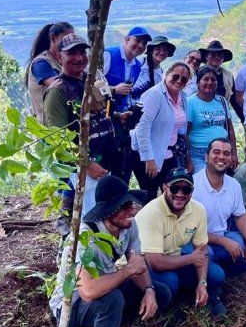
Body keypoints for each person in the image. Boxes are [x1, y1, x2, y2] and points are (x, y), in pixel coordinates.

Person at [49, 176, 170, 327]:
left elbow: (137, 264)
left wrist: (149, 290)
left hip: (103, 289)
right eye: (122, 206)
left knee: (160, 292)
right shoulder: (84, 237)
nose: (131, 211)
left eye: (130, 204)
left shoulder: (128, 227)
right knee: (112, 299)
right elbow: (88, 291)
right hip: (69, 306)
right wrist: (127, 271)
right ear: (106, 210)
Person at [43, 34, 125, 229]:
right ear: (59, 56)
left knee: (106, 218)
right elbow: (58, 139)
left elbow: (95, 118)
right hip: (82, 171)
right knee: (86, 224)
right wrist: (86, 164)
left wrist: (117, 118)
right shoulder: (58, 91)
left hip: (105, 164)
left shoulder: (88, 83)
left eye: (82, 52)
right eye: (72, 53)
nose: (79, 57)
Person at [135, 168, 227, 316]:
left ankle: (197, 293)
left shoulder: (198, 210)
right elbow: (156, 263)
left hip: (176, 258)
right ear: (165, 188)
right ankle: (168, 306)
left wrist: (202, 283)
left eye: (186, 190)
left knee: (216, 275)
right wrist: (191, 258)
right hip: (146, 266)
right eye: (175, 188)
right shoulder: (151, 214)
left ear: (192, 191)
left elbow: (201, 250)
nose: (180, 194)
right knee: (171, 281)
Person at [192, 137, 246, 277]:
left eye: (226, 153)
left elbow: (240, 216)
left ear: (231, 158)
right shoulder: (193, 186)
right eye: (216, 152)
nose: (221, 157)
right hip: (197, 242)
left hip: (222, 234)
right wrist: (224, 242)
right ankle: (213, 279)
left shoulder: (233, 185)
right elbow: (190, 232)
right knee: (209, 258)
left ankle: (220, 270)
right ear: (206, 157)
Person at [130, 61, 191, 204]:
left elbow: (180, 128)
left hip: (169, 154)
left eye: (184, 79)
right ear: (166, 74)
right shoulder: (154, 95)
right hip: (148, 155)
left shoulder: (183, 97)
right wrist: (149, 158)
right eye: (175, 76)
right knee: (150, 197)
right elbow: (142, 127)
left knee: (172, 194)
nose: (179, 81)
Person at [186, 66, 238, 173]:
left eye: (213, 80)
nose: (209, 82)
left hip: (222, 152)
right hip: (199, 153)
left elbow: (230, 129)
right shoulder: (190, 102)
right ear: (198, 82)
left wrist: (233, 154)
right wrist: (188, 161)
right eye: (205, 79)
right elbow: (185, 133)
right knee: (203, 183)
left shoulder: (222, 101)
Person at [25, 21, 74, 122]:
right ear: (53, 38)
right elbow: (61, 87)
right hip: (48, 128)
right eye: (65, 39)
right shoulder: (41, 63)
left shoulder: (61, 61)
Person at [103, 26, 151, 111]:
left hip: (118, 116)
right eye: (137, 40)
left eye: (144, 43)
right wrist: (114, 89)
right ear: (127, 39)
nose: (140, 45)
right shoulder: (109, 55)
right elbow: (91, 85)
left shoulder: (137, 66)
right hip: (100, 112)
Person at [199, 39, 242, 121]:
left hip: (221, 116)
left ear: (223, 58)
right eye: (213, 54)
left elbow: (234, 100)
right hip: (200, 116)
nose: (216, 57)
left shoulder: (228, 76)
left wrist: (244, 119)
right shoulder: (198, 73)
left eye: (220, 55)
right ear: (206, 56)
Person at [131, 36, 175, 100]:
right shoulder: (140, 62)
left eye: (165, 50)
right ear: (151, 51)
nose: (162, 52)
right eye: (158, 49)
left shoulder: (161, 73)